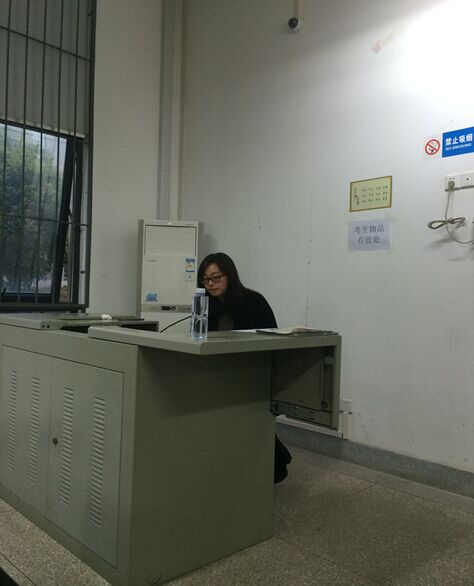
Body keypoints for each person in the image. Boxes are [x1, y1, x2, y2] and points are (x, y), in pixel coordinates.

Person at [197, 252, 292, 483]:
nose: (211, 284)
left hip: (252, 374)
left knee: (252, 428)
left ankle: (273, 467)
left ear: (229, 275)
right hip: (219, 375)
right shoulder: (205, 305)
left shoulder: (253, 301)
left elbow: (272, 339)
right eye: (206, 280)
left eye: (216, 277)